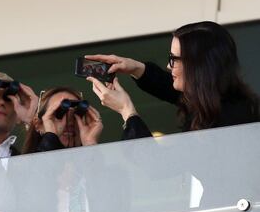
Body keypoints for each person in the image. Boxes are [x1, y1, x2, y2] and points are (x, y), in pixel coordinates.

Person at [85, 21, 259, 135]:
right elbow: (173, 89)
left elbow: (163, 166)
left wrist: (127, 111)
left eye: (174, 59)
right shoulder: (225, 102)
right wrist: (136, 68)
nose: (169, 66)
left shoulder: (232, 122)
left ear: (197, 66)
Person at [22, 86, 103, 153]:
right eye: (58, 114)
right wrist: (51, 138)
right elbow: (41, 170)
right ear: (38, 125)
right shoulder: (19, 164)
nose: (69, 122)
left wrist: (90, 144)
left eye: (75, 115)